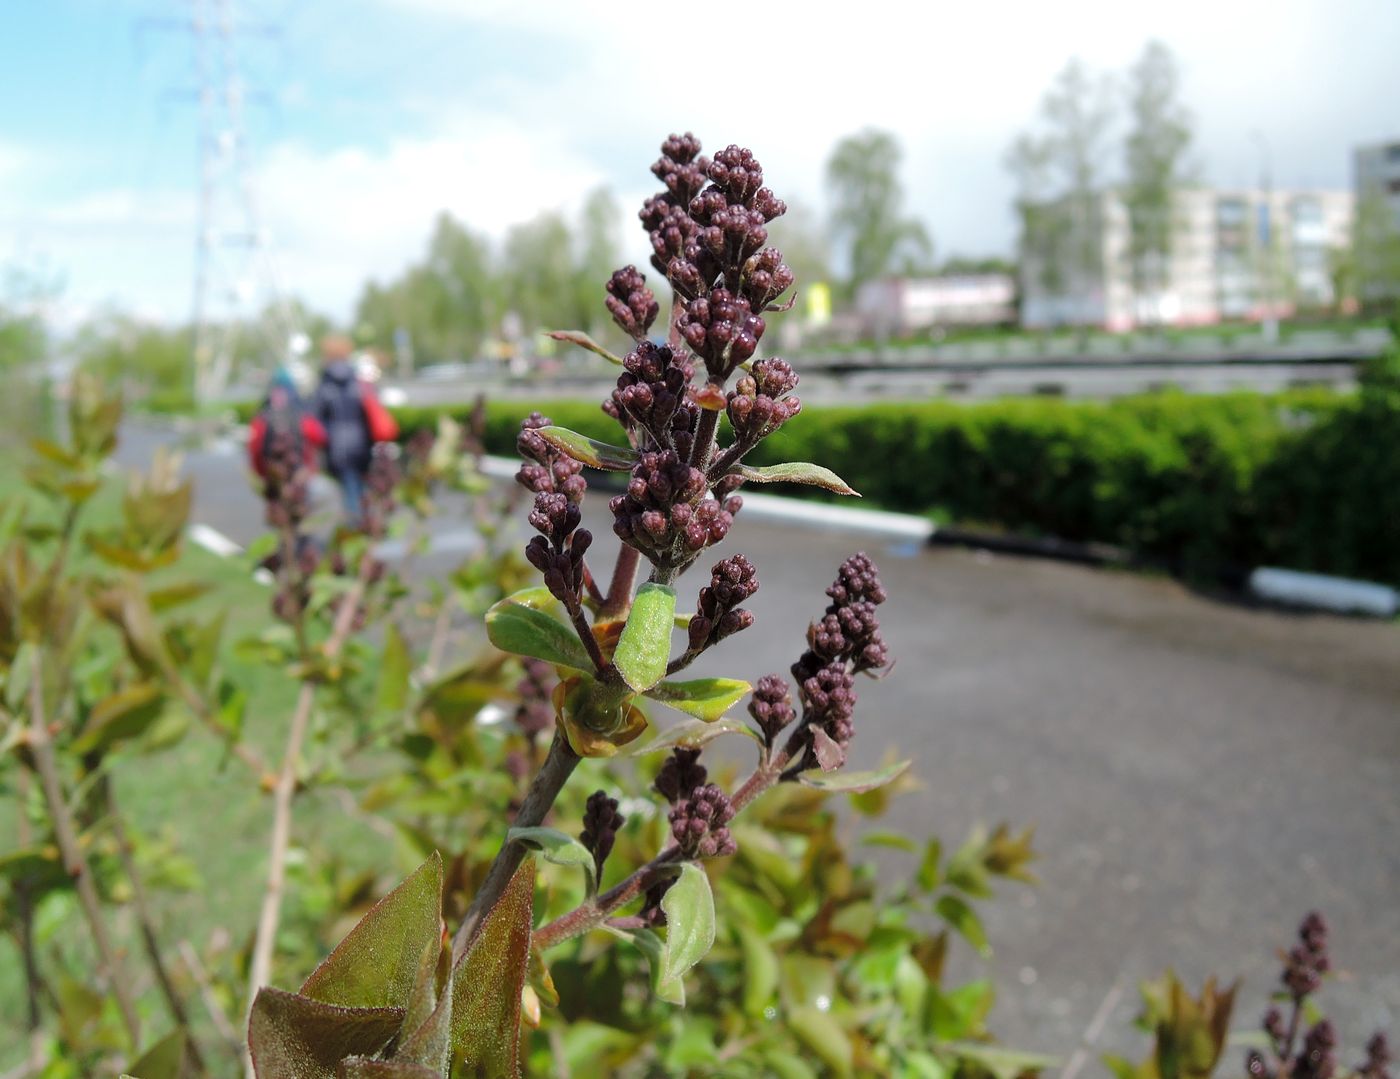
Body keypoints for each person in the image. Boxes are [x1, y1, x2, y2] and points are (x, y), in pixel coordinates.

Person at [311, 335, 398, 525]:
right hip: (361, 443)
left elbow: (314, 418)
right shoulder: (358, 381)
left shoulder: (324, 385)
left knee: (349, 489)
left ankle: (357, 527)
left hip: (338, 446)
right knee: (362, 485)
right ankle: (367, 522)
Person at [248, 367, 326, 479]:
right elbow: (320, 437)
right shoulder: (302, 414)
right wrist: (311, 468)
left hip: (273, 475)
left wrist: (261, 472)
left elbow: (254, 448)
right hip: (299, 475)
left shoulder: (262, 417)